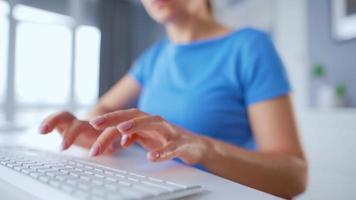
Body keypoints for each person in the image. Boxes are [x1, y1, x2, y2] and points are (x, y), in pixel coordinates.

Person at [39, 0, 307, 198]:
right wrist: (94, 128)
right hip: (151, 189)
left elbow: (293, 177)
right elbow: (105, 106)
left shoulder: (250, 47)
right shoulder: (154, 56)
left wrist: (202, 148)